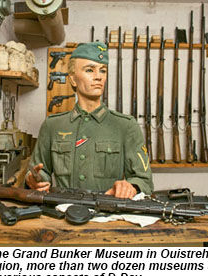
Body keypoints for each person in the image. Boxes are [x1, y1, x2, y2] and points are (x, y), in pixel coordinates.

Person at [25, 42, 153, 199]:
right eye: (89, 70)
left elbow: (144, 181)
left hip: (106, 216)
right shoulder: (52, 125)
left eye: (103, 70)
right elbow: (38, 172)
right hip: (61, 213)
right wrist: (34, 180)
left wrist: (131, 186)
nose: (98, 76)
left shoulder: (125, 126)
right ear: (72, 80)